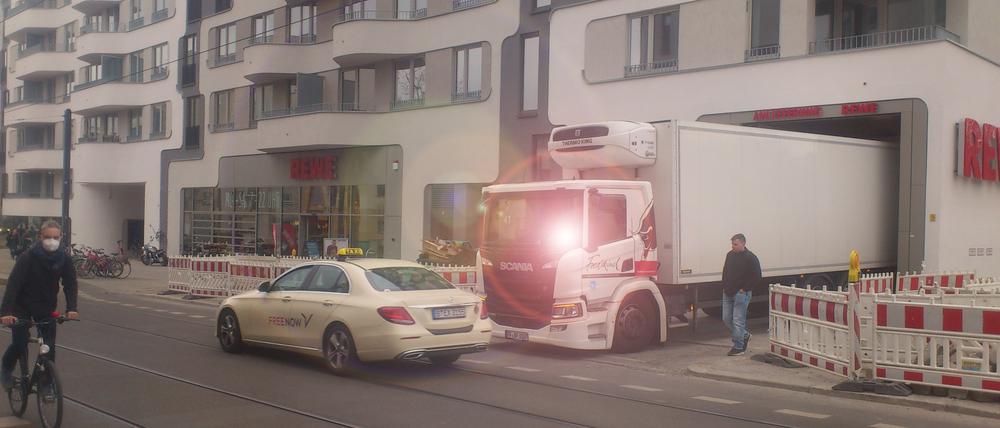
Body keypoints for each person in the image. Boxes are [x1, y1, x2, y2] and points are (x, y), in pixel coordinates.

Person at [1, 221, 79, 390]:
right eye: (47, 237)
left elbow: (70, 283)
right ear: (40, 237)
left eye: (55, 237)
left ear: (61, 238)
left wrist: (72, 308)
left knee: (49, 348)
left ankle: (46, 382)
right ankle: (6, 368)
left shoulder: (64, 258)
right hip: (21, 307)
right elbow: (13, 285)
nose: (51, 240)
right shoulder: (28, 257)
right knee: (20, 342)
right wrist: (6, 312)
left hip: (46, 307)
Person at [720, 233, 761, 356]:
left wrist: (744, 289)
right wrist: (724, 285)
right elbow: (725, 271)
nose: (733, 246)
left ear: (743, 243)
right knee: (726, 319)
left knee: (738, 320)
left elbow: (757, 276)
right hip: (727, 292)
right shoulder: (730, 255)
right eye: (732, 244)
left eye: (735, 244)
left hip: (741, 294)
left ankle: (739, 346)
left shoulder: (751, 258)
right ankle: (744, 335)